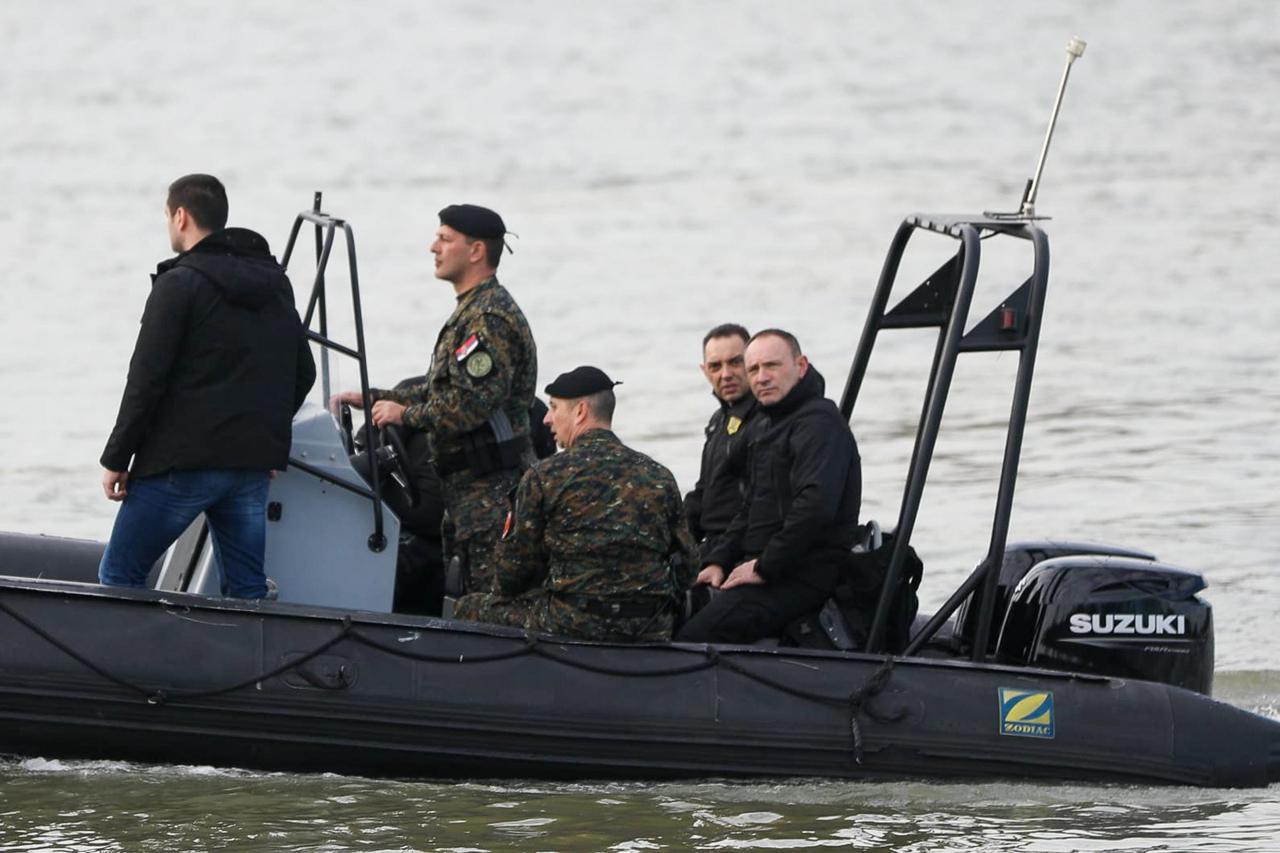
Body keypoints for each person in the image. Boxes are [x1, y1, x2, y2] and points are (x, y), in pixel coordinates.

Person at [98, 174, 316, 598]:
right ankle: (253, 664)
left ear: (181, 216)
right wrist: (265, 442)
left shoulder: (178, 284)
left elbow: (145, 381)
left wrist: (116, 457)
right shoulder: (275, 285)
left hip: (182, 465)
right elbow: (302, 372)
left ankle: (134, 665)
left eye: (167, 216)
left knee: (119, 576)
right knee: (246, 590)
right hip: (248, 466)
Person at [333, 204, 537, 595]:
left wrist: (405, 415)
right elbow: (440, 388)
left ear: (476, 251)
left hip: (491, 492)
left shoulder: (488, 319)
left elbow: (470, 405)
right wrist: (375, 398)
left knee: (488, 597)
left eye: (445, 239)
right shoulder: (471, 312)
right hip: (466, 491)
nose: (433, 247)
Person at [454, 366, 695, 642]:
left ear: (580, 411)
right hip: (649, 625)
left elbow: (512, 575)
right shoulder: (659, 475)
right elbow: (687, 568)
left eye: (554, 408)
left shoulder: (544, 476)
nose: (546, 419)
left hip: (572, 624)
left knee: (468, 608)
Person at [676, 329, 861, 645]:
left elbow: (815, 509)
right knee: (679, 608)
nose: (761, 378)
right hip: (764, 565)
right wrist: (718, 560)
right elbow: (750, 507)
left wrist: (764, 567)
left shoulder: (819, 422)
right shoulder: (767, 424)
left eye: (771, 366)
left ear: (800, 366)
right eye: (754, 370)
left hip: (802, 575)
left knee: (695, 637)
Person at [684, 323, 760, 563]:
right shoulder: (719, 421)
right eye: (715, 366)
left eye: (735, 362)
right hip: (711, 543)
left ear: (752, 363)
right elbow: (702, 492)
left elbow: (759, 504)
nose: (725, 374)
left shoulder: (766, 419)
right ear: (704, 370)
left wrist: (718, 560)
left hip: (742, 549)